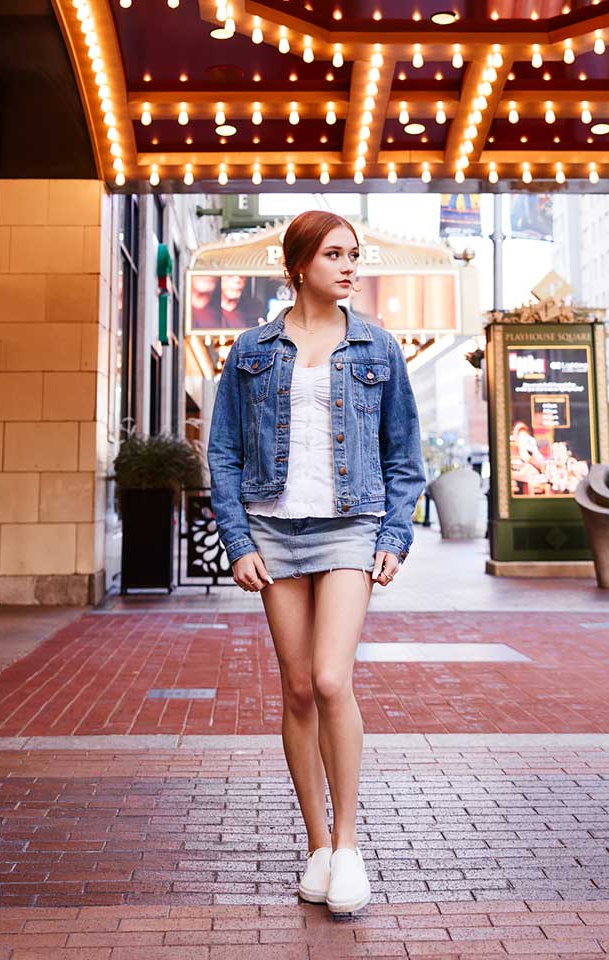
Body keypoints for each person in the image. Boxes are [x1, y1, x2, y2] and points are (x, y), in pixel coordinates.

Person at [208, 210, 426, 916]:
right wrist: (238, 541)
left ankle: (351, 844)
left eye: (354, 254)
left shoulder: (378, 347)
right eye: (335, 254)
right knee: (298, 689)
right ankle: (318, 846)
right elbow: (224, 452)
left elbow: (404, 454)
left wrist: (393, 534)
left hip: (349, 526)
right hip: (273, 529)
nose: (350, 266)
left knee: (332, 678)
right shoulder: (251, 349)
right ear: (299, 264)